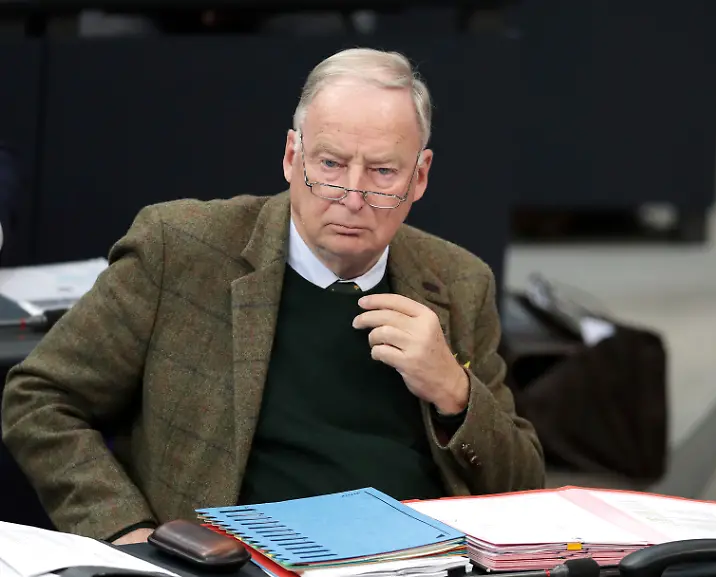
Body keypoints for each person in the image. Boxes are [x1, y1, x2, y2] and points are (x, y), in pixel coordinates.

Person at [1, 48, 545, 543]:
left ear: (419, 177)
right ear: (292, 157)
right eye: (330, 165)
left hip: (418, 559)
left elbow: (524, 486)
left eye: (383, 172)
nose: (353, 196)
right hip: (237, 560)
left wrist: (455, 392)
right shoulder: (182, 250)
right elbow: (39, 399)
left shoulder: (457, 281)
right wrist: (126, 531)